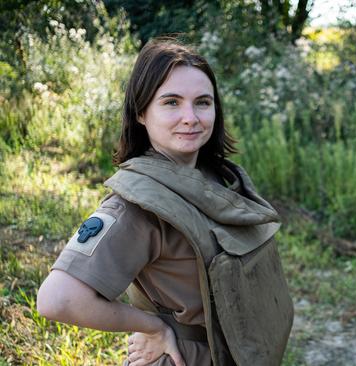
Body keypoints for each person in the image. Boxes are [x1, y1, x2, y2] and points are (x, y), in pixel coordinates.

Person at [37, 38, 293, 366]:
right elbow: (57, 299)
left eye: (202, 102)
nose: (190, 117)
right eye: (171, 102)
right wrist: (153, 328)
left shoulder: (213, 178)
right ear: (141, 112)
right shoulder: (137, 207)